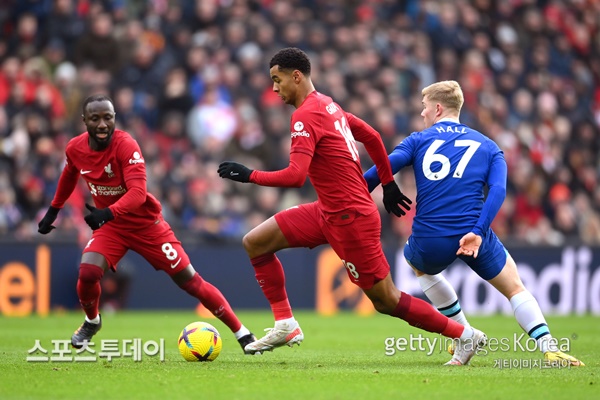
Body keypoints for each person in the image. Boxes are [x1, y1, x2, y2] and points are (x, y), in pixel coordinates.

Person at [218, 47, 488, 365]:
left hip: (351, 219)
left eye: (277, 81)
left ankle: (464, 335)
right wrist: (387, 184)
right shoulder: (329, 105)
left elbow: (295, 176)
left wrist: (250, 175)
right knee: (256, 242)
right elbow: (372, 136)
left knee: (386, 300)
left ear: (296, 76)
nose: (275, 89)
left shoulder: (306, 114)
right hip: (327, 212)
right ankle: (286, 324)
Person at [364, 80, 584, 367]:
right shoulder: (489, 146)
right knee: (515, 287)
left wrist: (358, 191)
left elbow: (376, 172)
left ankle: (464, 335)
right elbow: (499, 192)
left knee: (417, 265)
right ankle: (550, 348)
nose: (422, 114)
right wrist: (479, 232)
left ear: (438, 108)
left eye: (424, 107)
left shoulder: (418, 140)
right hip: (473, 231)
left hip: (431, 236)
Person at [38, 94, 257, 353]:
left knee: (190, 281)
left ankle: (242, 332)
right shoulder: (75, 148)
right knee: (87, 273)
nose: (102, 124)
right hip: (113, 228)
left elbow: (138, 194)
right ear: (84, 120)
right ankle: (91, 321)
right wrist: (53, 211)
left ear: (114, 119)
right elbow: (69, 174)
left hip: (146, 225)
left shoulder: (126, 145)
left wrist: (107, 212)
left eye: (107, 118)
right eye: (95, 118)